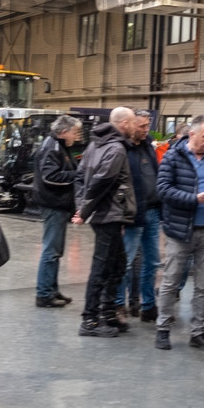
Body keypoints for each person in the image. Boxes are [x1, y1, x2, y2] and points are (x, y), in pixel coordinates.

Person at [154, 114, 204, 353]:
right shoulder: (172, 156)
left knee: (203, 286)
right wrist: (194, 199)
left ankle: (198, 332)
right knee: (171, 282)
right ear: (192, 135)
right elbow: (163, 189)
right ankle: (162, 328)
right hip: (179, 232)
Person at [73, 106, 136, 338]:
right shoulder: (116, 148)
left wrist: (81, 206)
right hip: (108, 215)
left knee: (117, 264)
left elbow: (80, 178)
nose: (134, 126)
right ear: (124, 124)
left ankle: (108, 313)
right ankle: (89, 320)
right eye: (133, 122)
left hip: (105, 214)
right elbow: (101, 182)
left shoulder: (94, 145)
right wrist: (83, 210)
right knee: (102, 267)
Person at [32, 114, 82, 308]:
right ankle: (44, 294)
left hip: (57, 204)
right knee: (51, 250)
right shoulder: (51, 148)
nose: (76, 137)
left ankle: (51, 289)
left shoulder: (59, 146)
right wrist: (77, 175)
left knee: (55, 250)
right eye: (74, 132)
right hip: (52, 203)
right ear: (63, 131)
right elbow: (50, 176)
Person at [117, 109, 161, 322]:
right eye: (142, 126)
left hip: (152, 211)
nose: (146, 130)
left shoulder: (148, 145)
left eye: (147, 126)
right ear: (131, 125)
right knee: (125, 262)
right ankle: (119, 305)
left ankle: (148, 305)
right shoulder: (122, 148)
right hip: (132, 214)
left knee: (152, 262)